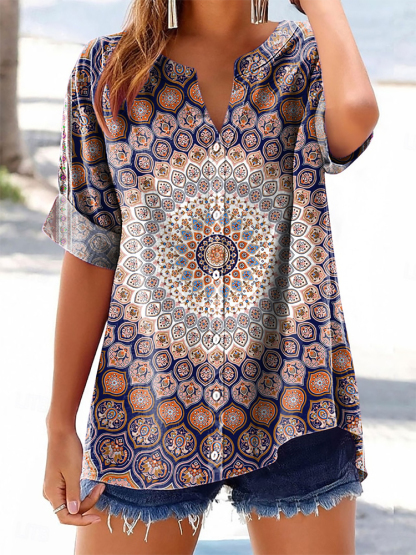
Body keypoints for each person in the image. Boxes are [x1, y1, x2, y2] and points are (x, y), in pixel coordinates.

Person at [41, 0, 379, 554]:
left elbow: (356, 116)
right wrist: (60, 422)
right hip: (146, 403)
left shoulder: (306, 60)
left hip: (296, 395)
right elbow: (91, 250)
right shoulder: (107, 73)